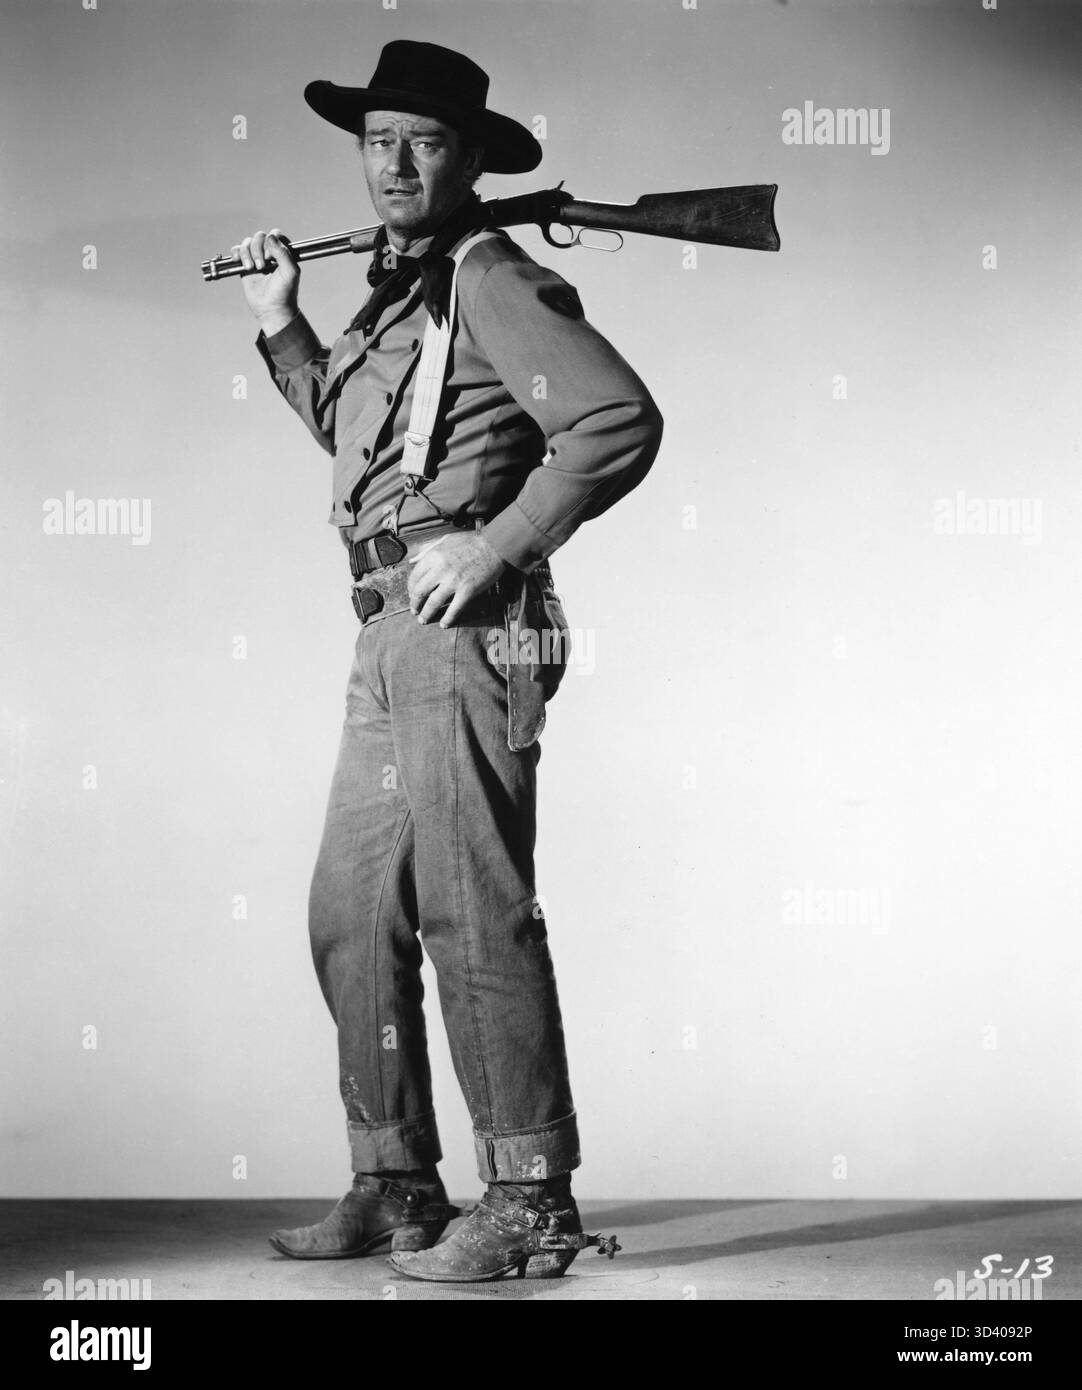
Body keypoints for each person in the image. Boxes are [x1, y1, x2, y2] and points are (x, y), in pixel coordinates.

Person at [233, 39, 662, 1282]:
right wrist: (283, 327)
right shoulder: (400, 289)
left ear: (470, 158)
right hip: (382, 626)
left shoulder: (486, 274)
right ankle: (396, 1179)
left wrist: (499, 543)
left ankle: (530, 1204)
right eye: (376, 142)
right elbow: (355, 440)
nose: (395, 165)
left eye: (423, 142)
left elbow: (615, 418)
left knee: (469, 904)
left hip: (467, 624)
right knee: (350, 912)